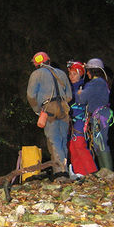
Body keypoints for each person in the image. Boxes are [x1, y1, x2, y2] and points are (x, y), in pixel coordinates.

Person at [26, 51, 72, 179]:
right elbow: (69, 95)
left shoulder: (36, 74)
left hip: (48, 109)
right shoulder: (62, 74)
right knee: (63, 139)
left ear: (36, 64)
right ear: (49, 61)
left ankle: (60, 172)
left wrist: (37, 110)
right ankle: (65, 168)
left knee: (54, 139)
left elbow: (31, 95)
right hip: (64, 108)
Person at [76, 58, 114, 171]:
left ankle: (107, 171)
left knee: (101, 144)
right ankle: (105, 171)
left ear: (92, 71)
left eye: (88, 71)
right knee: (99, 145)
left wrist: (78, 92)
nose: (87, 73)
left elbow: (82, 98)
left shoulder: (96, 83)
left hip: (99, 116)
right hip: (100, 115)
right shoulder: (102, 82)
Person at [66, 61, 97, 177]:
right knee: (71, 146)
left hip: (81, 119)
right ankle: (79, 172)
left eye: (74, 74)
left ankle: (91, 171)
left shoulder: (86, 86)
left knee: (79, 144)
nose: (71, 76)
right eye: (70, 74)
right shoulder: (68, 88)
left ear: (80, 74)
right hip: (70, 120)